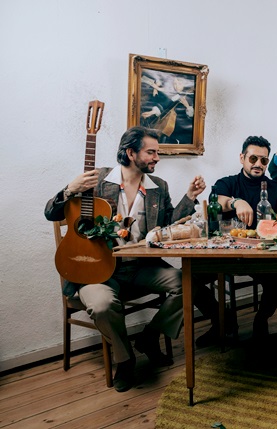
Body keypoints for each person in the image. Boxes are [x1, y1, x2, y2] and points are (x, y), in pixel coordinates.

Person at [44, 126, 213, 393]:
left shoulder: (158, 187)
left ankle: (150, 337)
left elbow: (168, 225)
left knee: (188, 283)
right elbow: (50, 213)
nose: (157, 157)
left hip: (141, 266)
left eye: (157, 152)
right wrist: (69, 189)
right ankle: (124, 360)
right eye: (151, 152)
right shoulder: (97, 180)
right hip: (98, 271)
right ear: (131, 153)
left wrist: (190, 196)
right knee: (101, 306)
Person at [196, 136, 277, 345]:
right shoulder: (227, 183)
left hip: (261, 255)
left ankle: (261, 320)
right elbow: (217, 201)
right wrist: (236, 202)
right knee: (190, 277)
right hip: (225, 254)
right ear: (242, 158)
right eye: (253, 158)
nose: (258, 164)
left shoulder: (276, 188)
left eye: (264, 160)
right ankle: (221, 320)